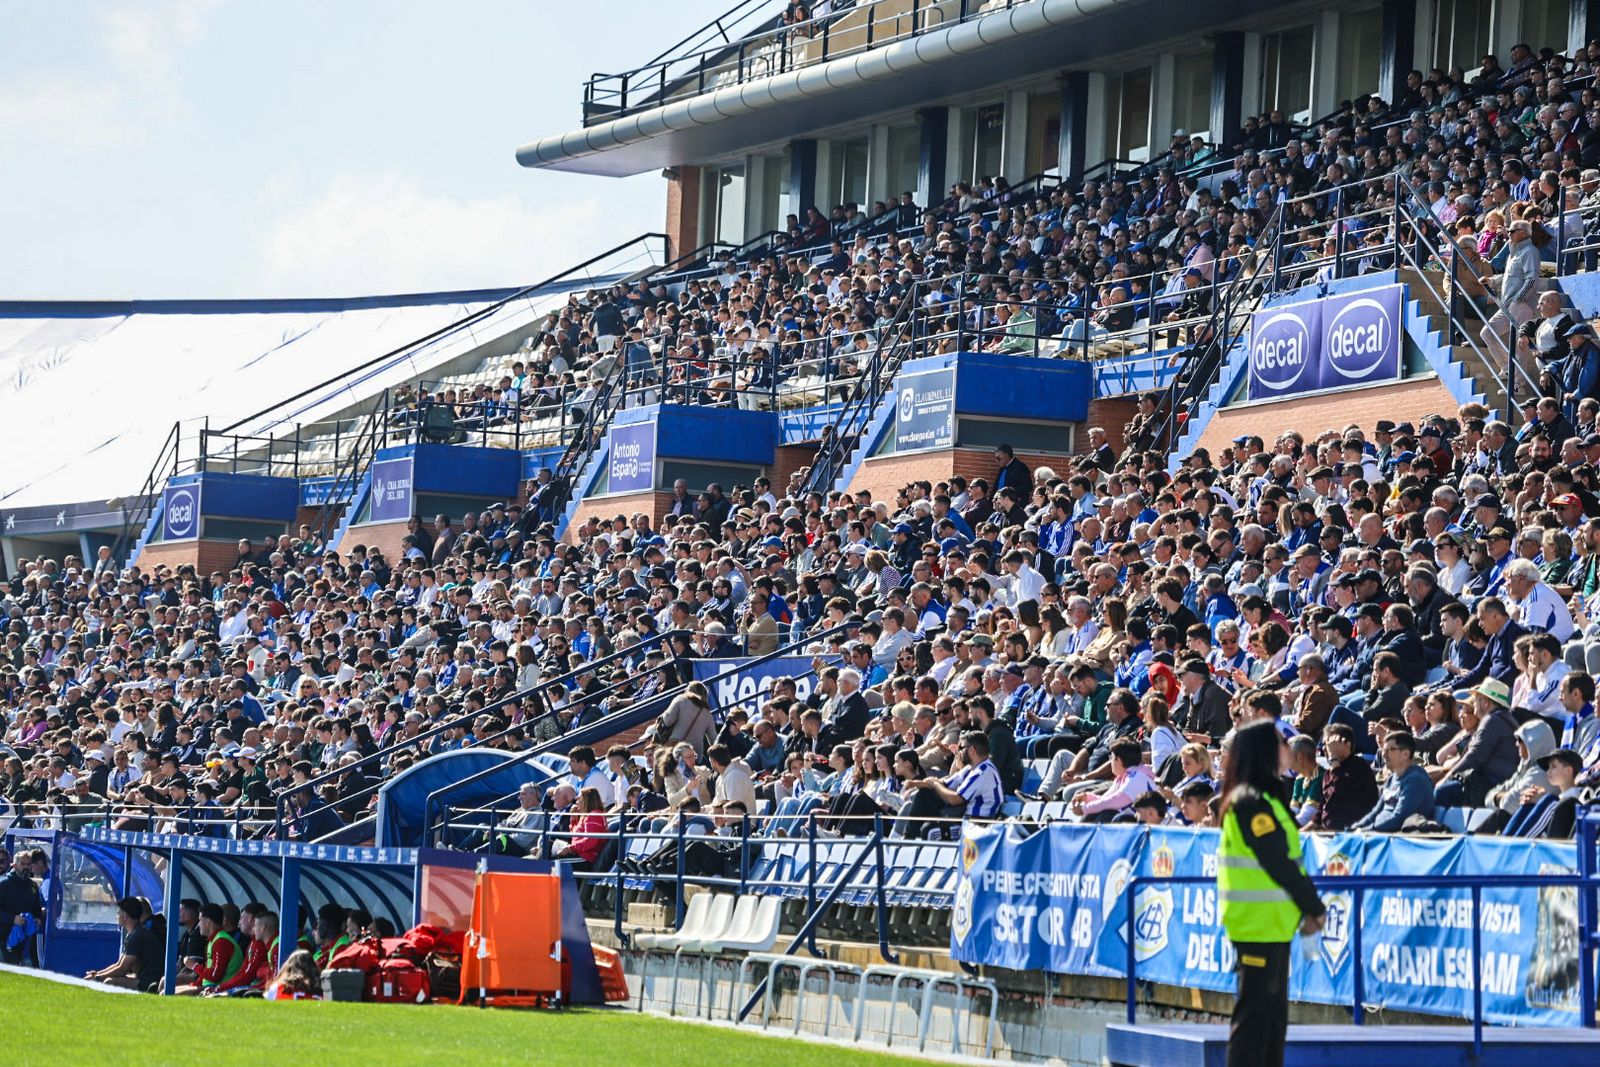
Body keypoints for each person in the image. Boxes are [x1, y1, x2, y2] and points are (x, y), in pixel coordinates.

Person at [1216, 719, 1325, 1067]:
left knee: (1273, 1025)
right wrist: (1312, 905)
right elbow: (1277, 861)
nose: (1288, 748)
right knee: (1253, 1023)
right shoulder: (1249, 802)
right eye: (1281, 742)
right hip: (1256, 926)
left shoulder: (1267, 799)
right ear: (1265, 751)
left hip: (1274, 925)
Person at [85, 896, 164, 991]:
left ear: (125, 916)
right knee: (106, 979)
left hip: (151, 981)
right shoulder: (134, 933)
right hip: (141, 977)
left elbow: (123, 969)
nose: (117, 915)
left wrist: (98, 978)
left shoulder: (139, 935)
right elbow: (118, 964)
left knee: (109, 982)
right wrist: (97, 974)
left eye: (119, 912)